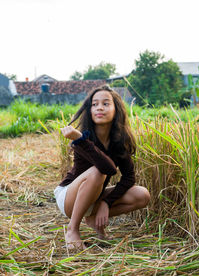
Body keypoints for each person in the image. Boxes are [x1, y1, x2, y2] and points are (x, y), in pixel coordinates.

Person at [54, 85, 150, 249]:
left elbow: (129, 177)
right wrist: (81, 139)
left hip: (95, 197)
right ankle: (72, 229)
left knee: (142, 194)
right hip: (69, 197)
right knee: (99, 172)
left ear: (116, 109)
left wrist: (106, 202)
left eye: (106, 104)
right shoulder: (82, 140)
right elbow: (108, 169)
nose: (99, 107)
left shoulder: (119, 141)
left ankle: (91, 219)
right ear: (90, 110)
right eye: (94, 104)